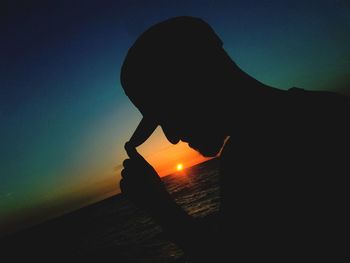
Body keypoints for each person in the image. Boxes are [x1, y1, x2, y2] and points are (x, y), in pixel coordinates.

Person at [119, 16, 350, 261]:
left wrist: (160, 207)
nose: (172, 136)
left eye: (169, 114)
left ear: (199, 80)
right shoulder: (328, 107)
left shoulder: (248, 158)